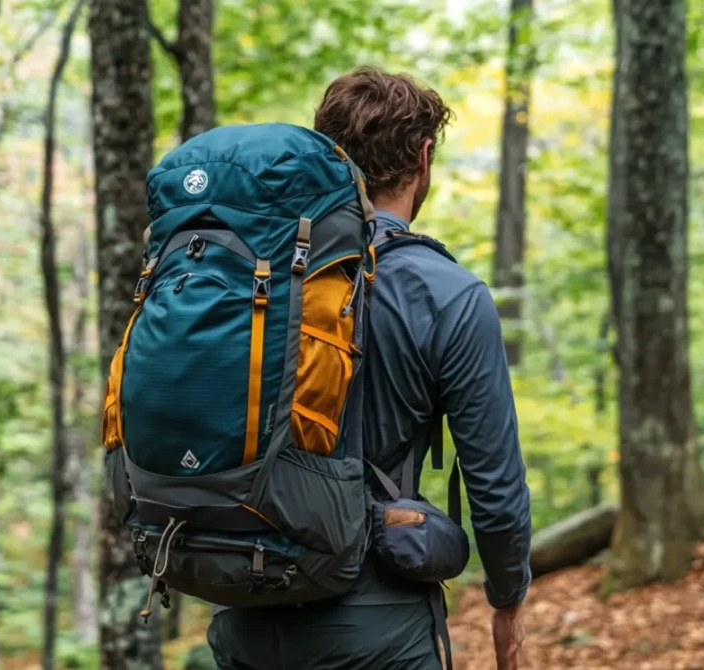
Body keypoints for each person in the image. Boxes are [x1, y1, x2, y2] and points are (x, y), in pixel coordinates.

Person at [207, 66, 531, 670]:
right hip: (378, 627)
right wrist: (508, 602)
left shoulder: (255, 279)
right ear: (425, 157)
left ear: (328, 155)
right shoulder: (448, 293)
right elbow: (495, 487)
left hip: (243, 611)